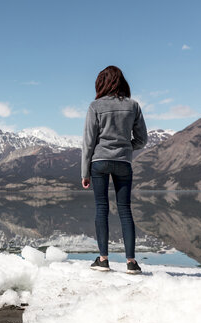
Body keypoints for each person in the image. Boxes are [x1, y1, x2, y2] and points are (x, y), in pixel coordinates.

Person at [81, 65, 147, 274]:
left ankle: (103, 260)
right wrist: (127, 148)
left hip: (99, 162)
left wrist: (85, 173)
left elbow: (88, 143)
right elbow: (142, 139)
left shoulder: (95, 106)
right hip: (123, 163)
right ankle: (131, 262)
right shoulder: (133, 106)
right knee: (125, 210)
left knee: (102, 208)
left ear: (101, 83)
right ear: (122, 82)